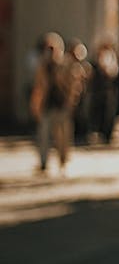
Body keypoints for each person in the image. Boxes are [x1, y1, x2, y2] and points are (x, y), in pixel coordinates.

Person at [29, 32, 75, 173]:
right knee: (43, 135)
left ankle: (63, 160)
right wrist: (35, 104)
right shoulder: (43, 65)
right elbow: (39, 86)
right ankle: (43, 162)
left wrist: (71, 101)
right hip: (47, 105)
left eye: (52, 48)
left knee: (62, 137)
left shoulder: (66, 64)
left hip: (61, 104)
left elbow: (73, 85)